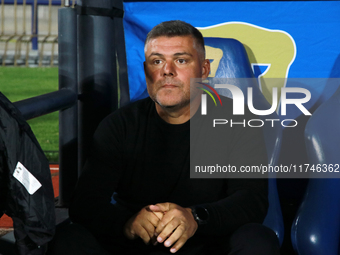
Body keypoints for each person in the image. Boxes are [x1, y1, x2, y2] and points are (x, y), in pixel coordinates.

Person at [50, 20, 280, 255]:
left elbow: (252, 200)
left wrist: (195, 217)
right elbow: (86, 203)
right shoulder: (120, 124)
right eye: (157, 61)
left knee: (257, 240)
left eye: (181, 60)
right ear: (146, 69)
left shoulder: (237, 121)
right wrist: (127, 223)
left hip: (207, 243)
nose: (167, 70)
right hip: (136, 245)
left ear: (204, 70)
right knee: (69, 239)